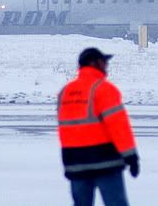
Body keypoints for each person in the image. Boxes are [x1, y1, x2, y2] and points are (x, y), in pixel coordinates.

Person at [57, 48, 140, 206]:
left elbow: (64, 130)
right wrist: (131, 156)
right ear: (93, 63)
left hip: (76, 163)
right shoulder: (104, 89)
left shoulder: (65, 92)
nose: (106, 65)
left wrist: (67, 162)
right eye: (104, 61)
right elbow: (118, 126)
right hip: (105, 161)